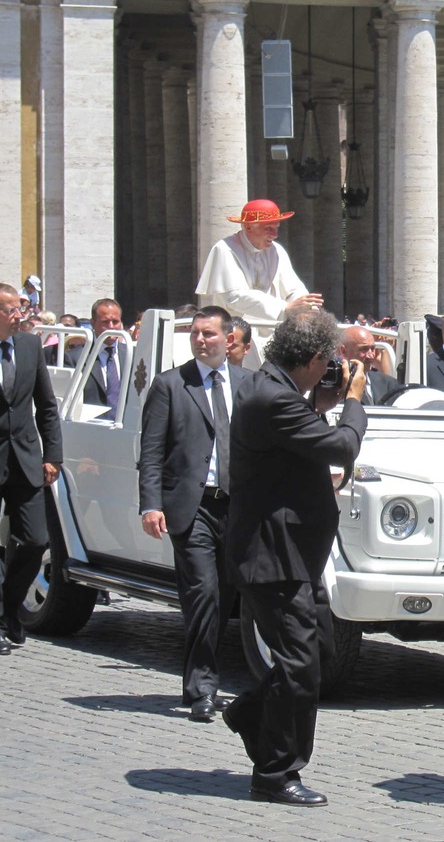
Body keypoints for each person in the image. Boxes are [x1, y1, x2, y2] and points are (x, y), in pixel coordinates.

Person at [221, 309, 367, 807]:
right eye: (326, 360)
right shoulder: (270, 397)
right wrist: (351, 402)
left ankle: (250, 714)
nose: (330, 367)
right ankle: (275, 772)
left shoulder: (274, 389)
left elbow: (297, 431)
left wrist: (320, 400)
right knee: (301, 663)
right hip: (272, 555)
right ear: (310, 358)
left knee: (310, 658)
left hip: (292, 553)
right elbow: (341, 446)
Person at [138, 306, 249, 721]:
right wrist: (150, 504)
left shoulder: (247, 384)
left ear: (229, 339)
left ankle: (195, 680)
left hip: (236, 507)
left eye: (210, 334)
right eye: (196, 334)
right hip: (192, 506)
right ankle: (203, 687)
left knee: (223, 597)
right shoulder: (171, 385)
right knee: (202, 593)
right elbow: (151, 450)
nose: (201, 340)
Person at [0, 282, 62, 656]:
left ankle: (10, 608)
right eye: (12, 310)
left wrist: (53, 455)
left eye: (22, 308)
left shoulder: (30, 347)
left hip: (26, 459)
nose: (19, 316)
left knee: (35, 540)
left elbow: (46, 405)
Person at [195, 199, 323, 321]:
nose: (275, 235)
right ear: (249, 227)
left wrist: (307, 306)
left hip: (273, 329)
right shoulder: (225, 249)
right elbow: (234, 297)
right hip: (238, 332)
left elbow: (293, 289)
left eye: (276, 228)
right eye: (269, 228)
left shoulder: (276, 250)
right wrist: (283, 308)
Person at [82, 298, 126, 420]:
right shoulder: (77, 358)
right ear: (93, 323)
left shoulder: (133, 355)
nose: (111, 327)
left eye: (115, 322)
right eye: (105, 322)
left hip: (126, 430)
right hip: (90, 429)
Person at [339, 325, 398, 406]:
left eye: (373, 349)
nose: (371, 355)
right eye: (364, 349)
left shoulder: (389, 384)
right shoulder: (334, 387)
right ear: (343, 351)